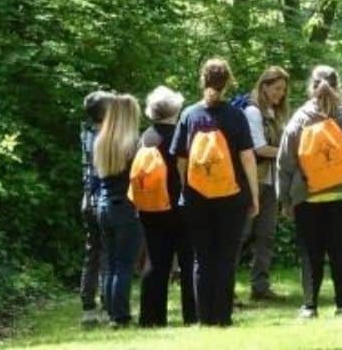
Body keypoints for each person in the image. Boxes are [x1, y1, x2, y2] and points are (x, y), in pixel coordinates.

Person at [278, 65, 342, 319]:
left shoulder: (299, 119)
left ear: (310, 87)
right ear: (338, 86)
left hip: (308, 195)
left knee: (311, 252)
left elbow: (285, 162)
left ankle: (309, 307)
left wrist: (285, 199)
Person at [170, 58, 259, 327]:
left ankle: (204, 318)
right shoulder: (236, 115)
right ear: (228, 81)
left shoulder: (189, 115)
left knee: (201, 258)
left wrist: (186, 188)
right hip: (232, 197)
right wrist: (254, 196)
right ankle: (223, 317)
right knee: (225, 257)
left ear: (202, 80)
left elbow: (180, 160)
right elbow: (247, 159)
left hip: (196, 197)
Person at [131, 86, 197, 327]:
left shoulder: (146, 136)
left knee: (156, 262)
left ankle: (151, 318)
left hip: (149, 208)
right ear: (176, 109)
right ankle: (193, 315)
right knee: (189, 261)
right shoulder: (180, 135)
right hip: (180, 207)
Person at [239, 66, 290, 301]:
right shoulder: (252, 112)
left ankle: (260, 286)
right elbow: (259, 148)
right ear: (265, 86)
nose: (281, 94)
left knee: (266, 235)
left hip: (270, 182)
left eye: (283, 90)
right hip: (252, 181)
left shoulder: (272, 112)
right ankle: (224, 287)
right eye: (277, 88)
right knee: (242, 235)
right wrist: (290, 154)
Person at [94, 94, 142, 328]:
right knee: (124, 264)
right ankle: (121, 316)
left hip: (104, 205)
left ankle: (112, 312)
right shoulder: (133, 143)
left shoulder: (101, 141)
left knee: (112, 263)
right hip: (126, 207)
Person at [79, 91, 114, 325]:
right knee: (106, 252)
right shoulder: (105, 137)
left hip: (87, 199)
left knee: (92, 252)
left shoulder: (87, 132)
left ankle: (88, 304)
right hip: (101, 198)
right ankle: (104, 300)